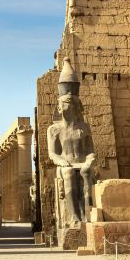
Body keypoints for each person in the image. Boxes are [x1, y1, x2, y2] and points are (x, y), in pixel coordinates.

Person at [47, 58, 95, 226]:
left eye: (68, 104)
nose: (64, 108)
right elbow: (52, 153)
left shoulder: (84, 127)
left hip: (82, 162)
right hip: (65, 164)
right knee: (68, 174)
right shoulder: (54, 129)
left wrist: (89, 160)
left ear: (75, 106)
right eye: (62, 105)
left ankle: (87, 216)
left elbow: (90, 150)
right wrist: (62, 161)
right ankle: (75, 217)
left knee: (86, 173)